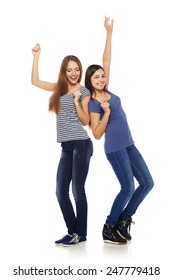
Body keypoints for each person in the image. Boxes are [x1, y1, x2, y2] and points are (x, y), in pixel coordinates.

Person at [85, 17, 154, 245]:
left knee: (147, 183)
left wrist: (109, 32)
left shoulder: (108, 91)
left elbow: (107, 59)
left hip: (129, 144)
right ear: (90, 81)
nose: (101, 78)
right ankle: (109, 226)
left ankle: (124, 219)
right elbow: (96, 134)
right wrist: (105, 113)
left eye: (103, 76)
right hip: (114, 148)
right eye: (96, 77)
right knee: (127, 187)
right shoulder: (94, 103)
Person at [31, 44, 93, 246]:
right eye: (69, 69)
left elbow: (85, 122)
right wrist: (36, 56)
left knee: (77, 189)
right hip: (66, 146)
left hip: (81, 144)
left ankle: (80, 234)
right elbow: (35, 81)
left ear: (80, 70)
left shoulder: (83, 92)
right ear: (64, 71)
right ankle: (73, 232)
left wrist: (76, 102)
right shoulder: (59, 88)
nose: (74, 73)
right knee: (60, 191)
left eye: (76, 69)